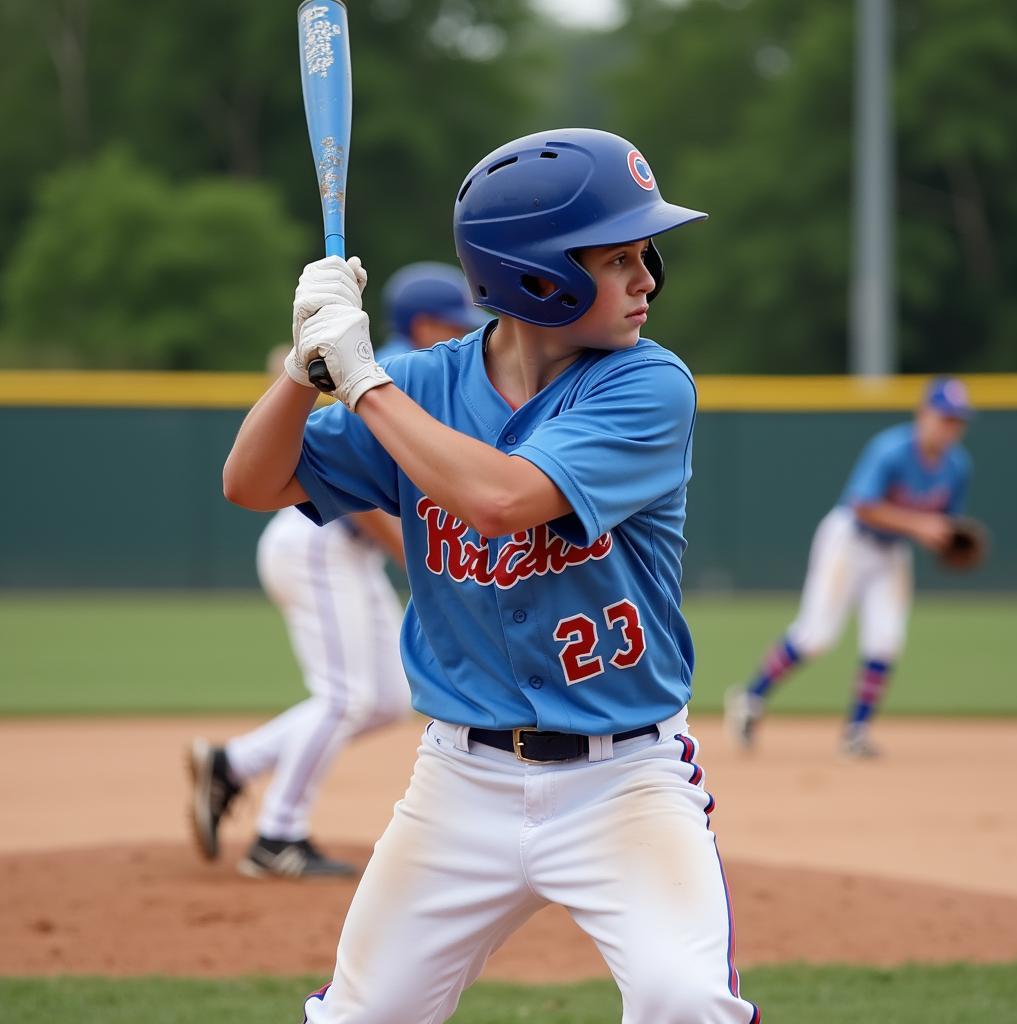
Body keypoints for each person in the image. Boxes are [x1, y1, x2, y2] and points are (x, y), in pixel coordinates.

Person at [223, 128, 760, 1023]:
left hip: (623, 780)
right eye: (618, 258)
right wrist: (301, 368)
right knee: (362, 1017)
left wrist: (360, 383)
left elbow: (503, 500)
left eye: (645, 254)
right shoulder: (419, 385)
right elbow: (253, 482)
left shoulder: (648, 386)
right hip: (457, 783)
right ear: (536, 275)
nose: (647, 279)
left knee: (686, 1000)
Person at [187, 264, 482, 879]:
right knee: (346, 698)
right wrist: (416, 551)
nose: (467, 334)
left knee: (385, 700)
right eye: (455, 323)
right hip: (318, 541)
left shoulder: (412, 366)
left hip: (338, 547)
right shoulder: (400, 369)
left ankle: (233, 764)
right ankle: (278, 837)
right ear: (426, 322)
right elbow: (370, 498)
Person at [725, 377, 974, 759]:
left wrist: (946, 541)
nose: (950, 428)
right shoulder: (890, 450)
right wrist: (921, 526)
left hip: (891, 553)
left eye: (957, 421)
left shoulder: (957, 467)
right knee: (816, 635)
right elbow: (864, 505)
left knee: (886, 640)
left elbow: (944, 526)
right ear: (924, 414)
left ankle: (856, 732)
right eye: (944, 418)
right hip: (849, 541)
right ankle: (750, 699)